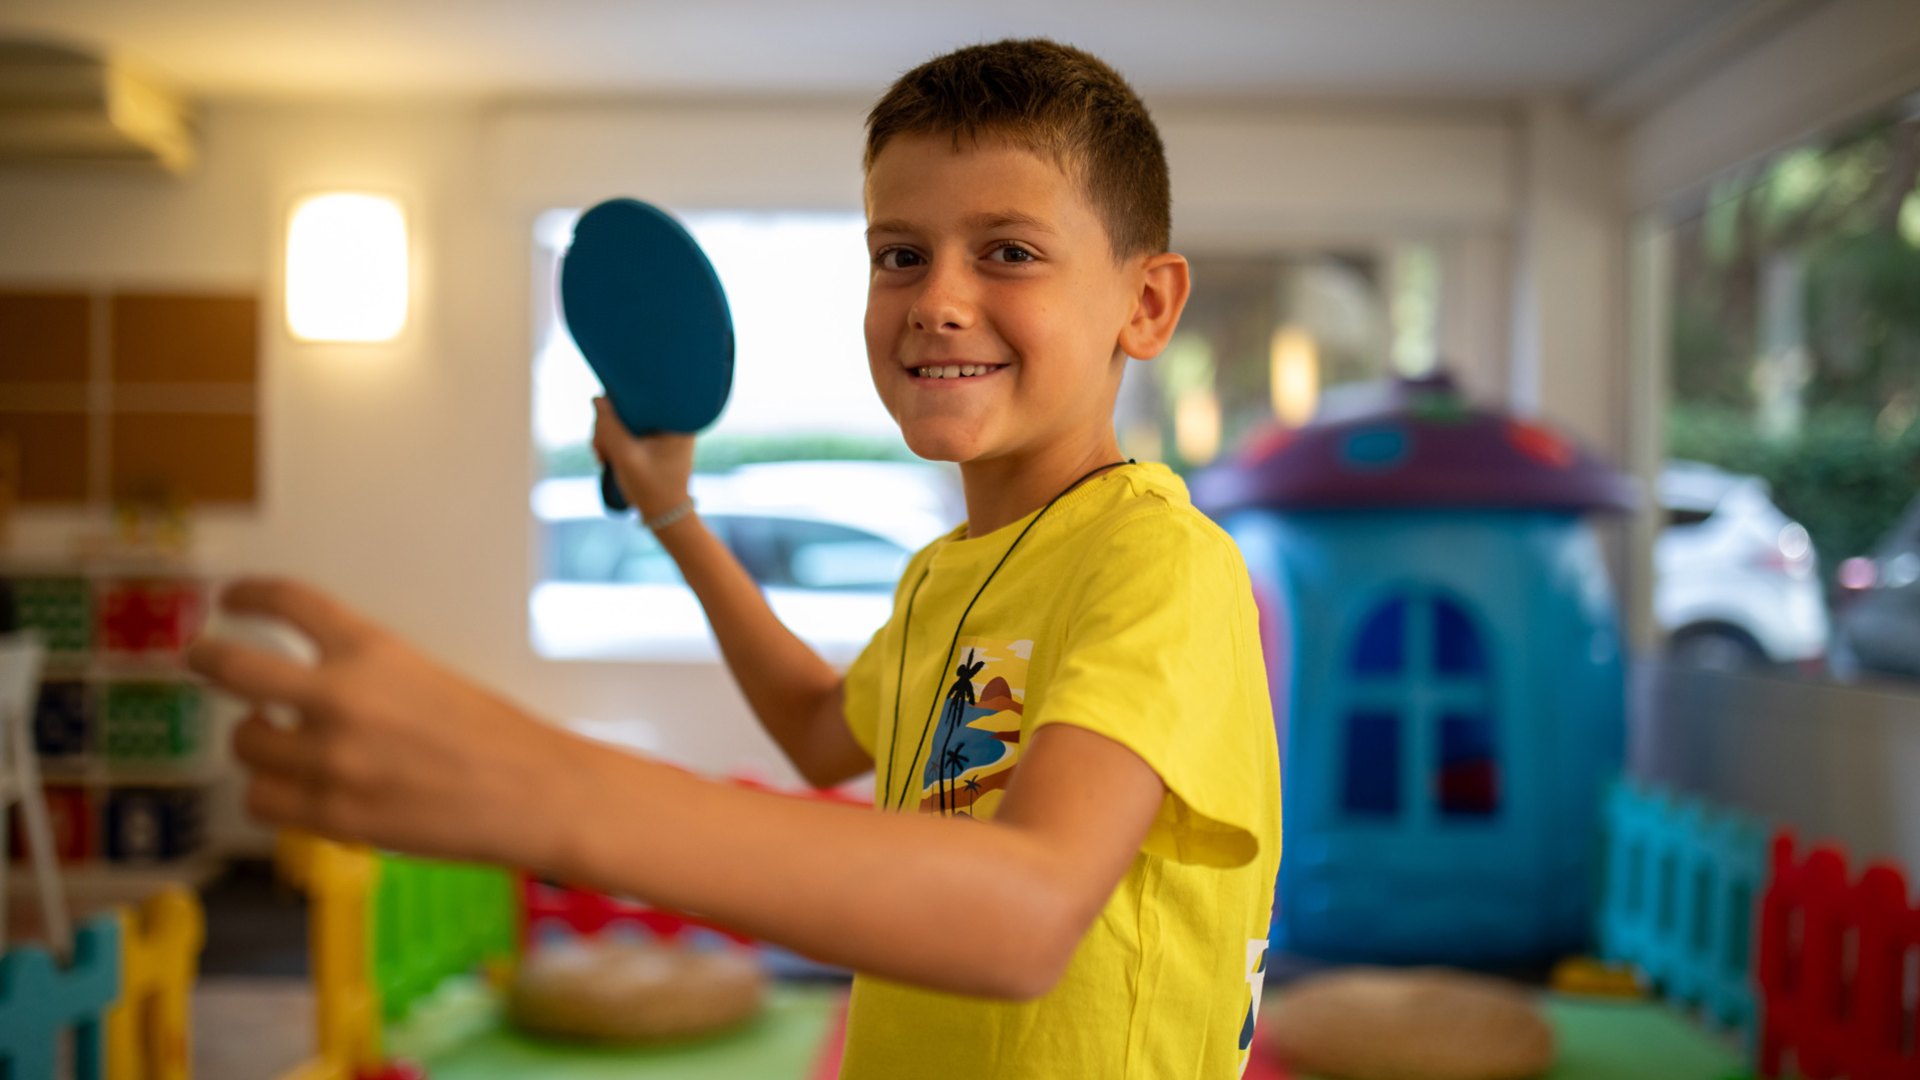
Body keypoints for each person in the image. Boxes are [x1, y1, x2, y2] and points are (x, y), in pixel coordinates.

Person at [188, 38, 1280, 1078]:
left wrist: (537, 786)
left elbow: (1027, 915)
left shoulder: (1160, 561)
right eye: (900, 254)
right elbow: (816, 729)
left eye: (1009, 252)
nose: (939, 301)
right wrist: (674, 515)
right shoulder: (945, 572)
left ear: (1145, 305)